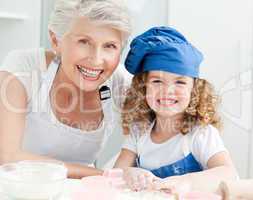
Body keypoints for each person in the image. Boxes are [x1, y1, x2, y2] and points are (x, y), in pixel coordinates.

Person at [0, 0, 131, 179]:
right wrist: (100, 174)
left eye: (110, 46)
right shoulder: (25, 67)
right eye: (84, 41)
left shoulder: (119, 81)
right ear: (56, 41)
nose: (96, 59)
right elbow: (9, 158)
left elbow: (164, 128)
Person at [114, 26, 238, 192]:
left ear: (194, 90)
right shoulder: (138, 132)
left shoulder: (200, 134)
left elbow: (228, 173)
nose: (167, 91)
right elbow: (115, 173)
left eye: (180, 82)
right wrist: (129, 172)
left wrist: (186, 181)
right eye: (157, 81)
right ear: (143, 88)